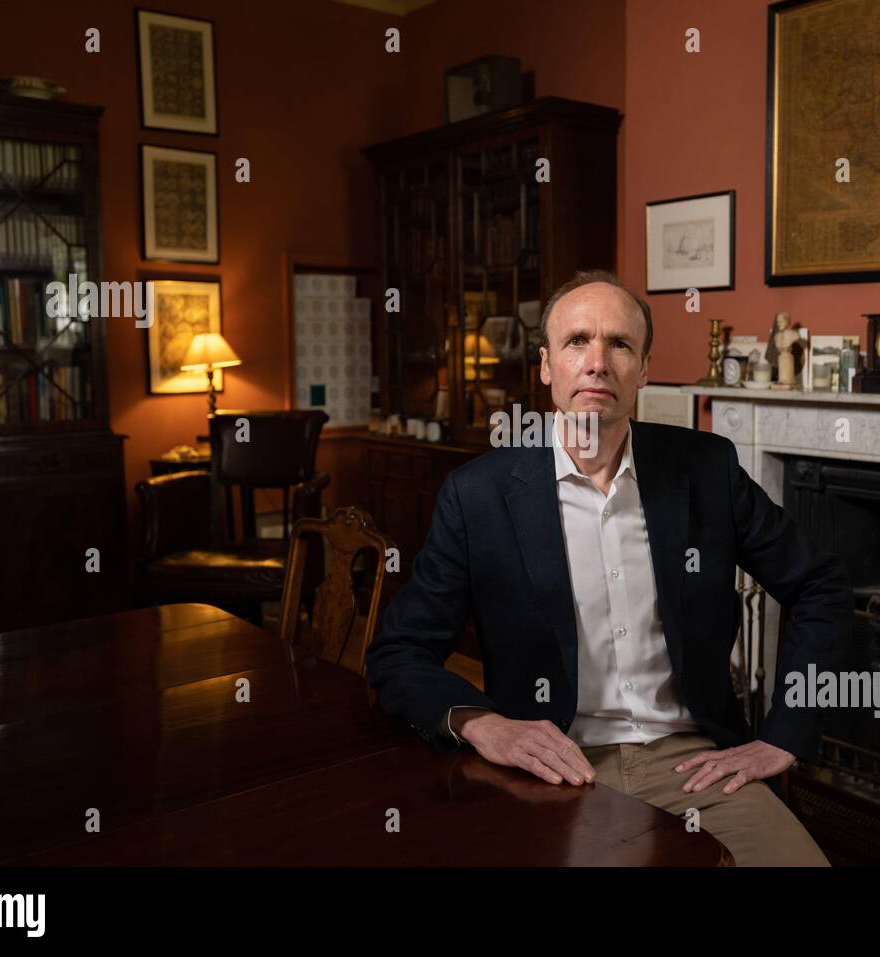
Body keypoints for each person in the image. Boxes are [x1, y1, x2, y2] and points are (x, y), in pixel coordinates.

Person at [365, 270, 853, 865]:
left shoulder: (706, 469)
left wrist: (784, 736)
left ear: (643, 369)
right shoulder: (479, 496)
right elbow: (398, 652)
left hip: (698, 765)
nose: (597, 363)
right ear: (546, 366)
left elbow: (820, 584)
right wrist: (481, 723)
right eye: (577, 342)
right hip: (554, 770)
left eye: (619, 344)